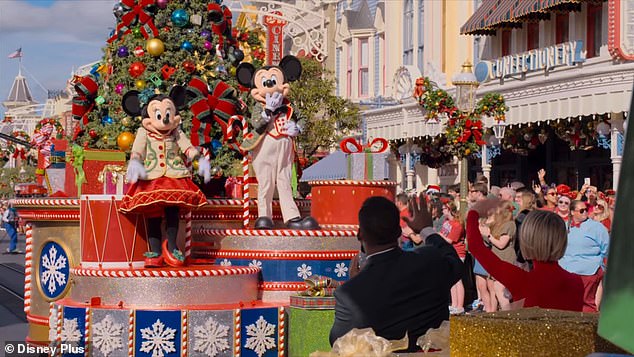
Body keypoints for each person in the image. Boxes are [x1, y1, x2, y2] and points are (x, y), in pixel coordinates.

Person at [330, 195, 462, 352]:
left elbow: (338, 342)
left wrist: (358, 284)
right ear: (399, 231)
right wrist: (427, 229)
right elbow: (455, 264)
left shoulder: (349, 293)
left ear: (360, 235)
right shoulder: (430, 259)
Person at [466, 199, 584, 311]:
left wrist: (474, 212)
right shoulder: (576, 282)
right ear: (562, 241)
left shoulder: (519, 279)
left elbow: (476, 247)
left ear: (527, 241)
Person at [559, 200, 610, 312]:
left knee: (586, 304)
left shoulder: (597, 227)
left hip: (588, 270)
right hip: (566, 270)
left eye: (586, 210)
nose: (585, 212)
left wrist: (600, 267)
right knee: (566, 304)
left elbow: (606, 248)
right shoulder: (564, 226)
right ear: (572, 212)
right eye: (581, 210)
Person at [478, 201, 517, 311]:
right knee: (494, 288)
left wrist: (488, 235)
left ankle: (507, 315)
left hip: (505, 258)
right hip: (496, 258)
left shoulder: (510, 224)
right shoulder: (500, 224)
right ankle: (497, 313)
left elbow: (501, 244)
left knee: (500, 289)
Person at [439, 201, 466, 314]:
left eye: (444, 209)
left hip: (457, 253)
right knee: (452, 280)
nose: (442, 211)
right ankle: (454, 304)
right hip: (448, 253)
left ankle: (460, 306)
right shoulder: (446, 222)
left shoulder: (457, 224)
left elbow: (450, 240)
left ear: (449, 209)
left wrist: (438, 235)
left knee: (458, 280)